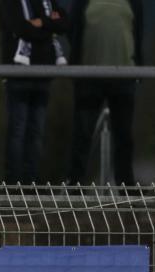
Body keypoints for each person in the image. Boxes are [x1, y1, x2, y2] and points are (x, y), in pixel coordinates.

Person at [67, 0, 143, 186]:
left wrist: (138, 67)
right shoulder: (82, 2)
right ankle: (75, 186)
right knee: (82, 135)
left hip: (124, 76)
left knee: (124, 137)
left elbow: (138, 32)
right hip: (88, 76)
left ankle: (126, 187)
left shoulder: (134, 2)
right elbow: (72, 28)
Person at [0, 0, 69, 185]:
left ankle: (31, 184)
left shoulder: (48, 1)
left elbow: (64, 23)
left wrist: (41, 22)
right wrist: (49, 26)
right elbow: (20, 28)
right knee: (18, 130)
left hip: (42, 75)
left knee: (37, 132)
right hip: (18, 75)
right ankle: (13, 185)